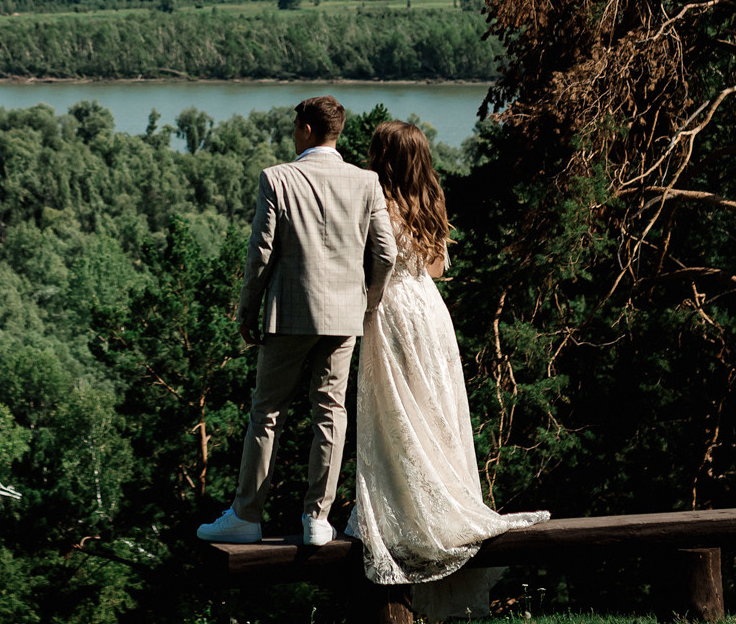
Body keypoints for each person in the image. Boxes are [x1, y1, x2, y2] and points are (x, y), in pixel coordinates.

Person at [347, 120, 549, 584]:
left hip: (391, 309)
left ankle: (405, 516)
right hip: (430, 312)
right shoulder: (429, 200)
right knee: (431, 409)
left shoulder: (376, 201)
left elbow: (374, 262)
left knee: (396, 414)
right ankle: (434, 508)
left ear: (383, 157)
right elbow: (436, 269)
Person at [197, 95, 397, 547]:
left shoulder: (278, 178)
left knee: (267, 412)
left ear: (306, 129)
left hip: (288, 314)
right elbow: (385, 253)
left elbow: (260, 253)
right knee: (330, 411)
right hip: (344, 317)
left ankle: (247, 515)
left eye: (295, 127)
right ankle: (317, 518)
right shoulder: (366, 182)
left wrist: (247, 309)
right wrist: (367, 302)